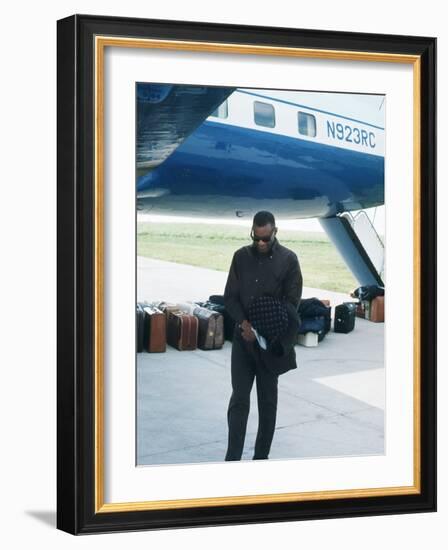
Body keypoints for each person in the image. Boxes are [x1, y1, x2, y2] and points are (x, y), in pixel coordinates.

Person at [223, 211, 303, 461]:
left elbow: (292, 303)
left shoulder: (289, 260)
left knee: (267, 404)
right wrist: (244, 324)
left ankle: (261, 459)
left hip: (270, 345)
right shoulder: (240, 257)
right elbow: (230, 297)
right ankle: (232, 458)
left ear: (274, 232)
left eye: (265, 239)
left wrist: (265, 328)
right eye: (255, 238)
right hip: (243, 342)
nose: (260, 243)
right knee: (239, 400)